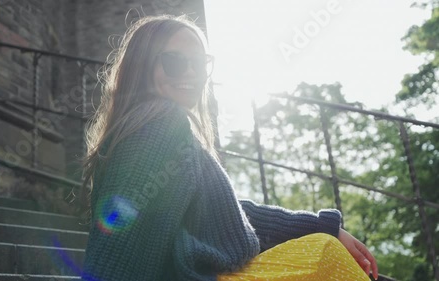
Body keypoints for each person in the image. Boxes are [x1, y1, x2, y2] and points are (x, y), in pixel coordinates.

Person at [77, 14, 379, 281]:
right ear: (142, 67)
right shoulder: (160, 127)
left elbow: (229, 216)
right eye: (174, 63)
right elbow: (120, 247)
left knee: (323, 249)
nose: (190, 74)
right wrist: (325, 235)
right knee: (326, 256)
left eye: (199, 64)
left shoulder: (156, 129)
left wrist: (324, 226)